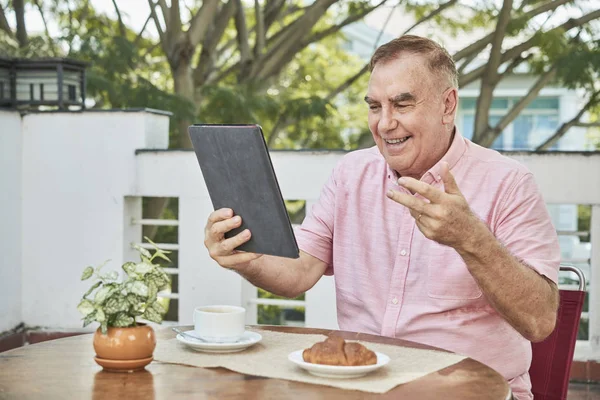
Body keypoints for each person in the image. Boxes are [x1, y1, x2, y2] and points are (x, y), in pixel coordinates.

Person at [203, 35, 560, 400]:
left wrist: (471, 239)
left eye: (402, 104)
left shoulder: (509, 182)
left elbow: (540, 320)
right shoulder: (350, 173)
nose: (385, 123)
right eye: (375, 107)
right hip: (362, 388)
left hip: (475, 392)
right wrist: (245, 257)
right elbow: (298, 271)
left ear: (447, 105)